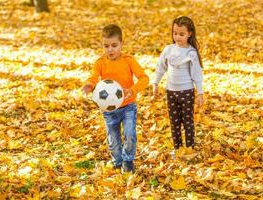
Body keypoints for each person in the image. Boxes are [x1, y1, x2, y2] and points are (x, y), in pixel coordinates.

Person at [82, 24, 149, 172]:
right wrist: (89, 84)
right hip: (109, 109)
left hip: (128, 106)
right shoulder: (100, 62)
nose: (110, 49)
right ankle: (117, 161)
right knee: (113, 140)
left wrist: (133, 90)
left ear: (121, 44)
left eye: (114, 45)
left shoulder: (129, 60)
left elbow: (144, 78)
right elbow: (93, 78)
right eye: (106, 46)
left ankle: (128, 161)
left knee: (130, 134)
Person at [153, 16, 204, 156]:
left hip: (186, 92)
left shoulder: (191, 53)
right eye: (175, 33)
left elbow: (197, 74)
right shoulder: (168, 50)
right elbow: (160, 67)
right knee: (174, 121)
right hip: (171, 92)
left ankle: (190, 148)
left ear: (189, 33)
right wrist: (155, 83)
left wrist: (200, 93)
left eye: (181, 34)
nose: (177, 37)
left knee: (187, 120)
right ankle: (177, 148)